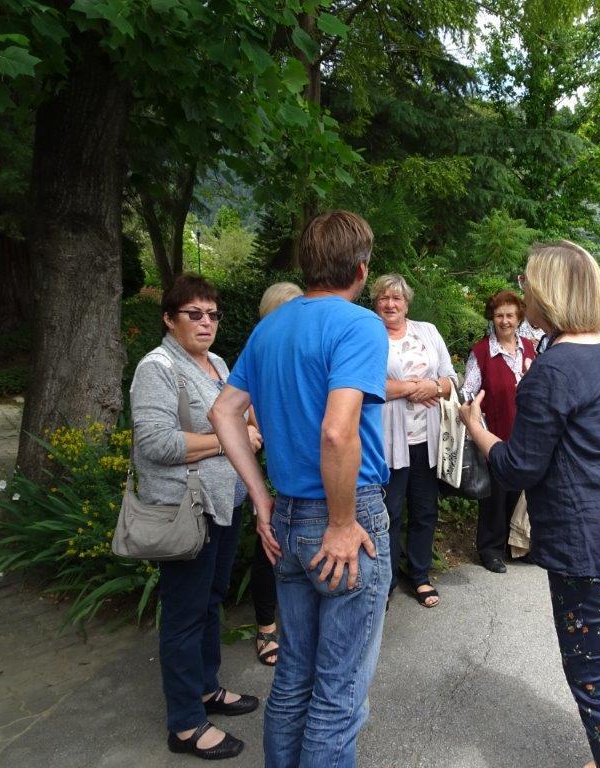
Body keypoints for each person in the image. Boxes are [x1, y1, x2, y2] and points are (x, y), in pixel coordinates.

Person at [459, 240, 600, 768]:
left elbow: (517, 467)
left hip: (591, 538)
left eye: (528, 283)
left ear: (548, 291)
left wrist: (476, 428)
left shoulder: (552, 369)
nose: (523, 292)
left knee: (595, 679)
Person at [210, 210, 391, 768]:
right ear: (361, 270)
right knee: (338, 693)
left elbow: (224, 412)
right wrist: (341, 522)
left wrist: (262, 498)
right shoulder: (360, 325)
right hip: (345, 514)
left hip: (286, 516)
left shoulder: (271, 327)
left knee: (292, 678)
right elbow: (337, 432)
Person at [130, 274, 262, 760]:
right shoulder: (158, 367)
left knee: (210, 601)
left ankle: (206, 688)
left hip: (223, 504)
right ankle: (185, 724)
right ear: (169, 319)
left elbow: (238, 416)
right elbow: (156, 443)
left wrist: (245, 428)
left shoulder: (218, 364)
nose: (206, 323)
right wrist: (231, 440)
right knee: (185, 614)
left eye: (212, 314)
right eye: (194, 314)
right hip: (186, 510)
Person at [372, 273, 457, 608]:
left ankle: (420, 575)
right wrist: (413, 388)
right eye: (384, 298)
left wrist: (434, 386)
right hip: (387, 443)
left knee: (424, 511)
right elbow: (365, 386)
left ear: (407, 303)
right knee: (389, 513)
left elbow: (450, 378)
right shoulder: (369, 335)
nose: (390, 304)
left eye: (397, 298)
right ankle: (387, 581)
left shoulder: (428, 332)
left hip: (427, 440)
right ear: (375, 303)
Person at [461, 290, 537, 574]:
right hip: (493, 434)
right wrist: (477, 423)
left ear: (519, 318)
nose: (505, 321)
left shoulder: (529, 348)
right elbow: (467, 393)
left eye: (510, 315)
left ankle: (515, 545)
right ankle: (490, 550)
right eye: (499, 315)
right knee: (495, 496)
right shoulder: (482, 352)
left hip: (525, 435)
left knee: (520, 492)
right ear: (491, 318)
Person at [251, 281, 304, 666]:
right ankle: (266, 626)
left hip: (302, 466)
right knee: (268, 545)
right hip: (274, 465)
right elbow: (242, 407)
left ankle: (295, 623)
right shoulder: (260, 350)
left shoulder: (304, 351)